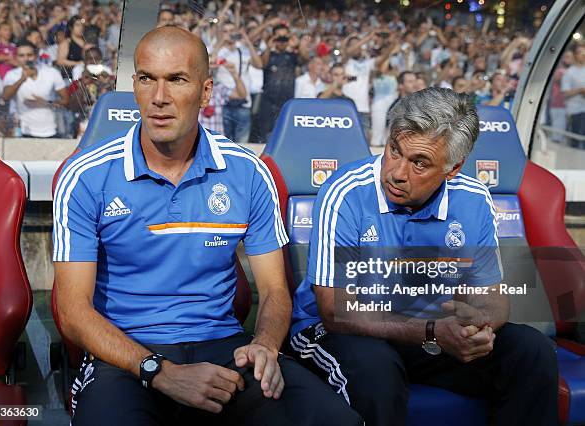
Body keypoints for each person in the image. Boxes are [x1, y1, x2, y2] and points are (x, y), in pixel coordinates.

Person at [52, 26, 362, 426]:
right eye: (147, 79)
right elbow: (72, 311)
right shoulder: (86, 175)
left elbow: (273, 291)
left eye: (176, 80)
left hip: (226, 348)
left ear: (205, 91)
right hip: (126, 356)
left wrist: (265, 346)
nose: (159, 98)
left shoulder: (249, 172)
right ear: (135, 86)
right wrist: (159, 371)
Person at [290, 88, 558, 426]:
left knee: (530, 351)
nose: (397, 172)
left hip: (427, 331)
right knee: (376, 372)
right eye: (394, 151)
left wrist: (475, 328)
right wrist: (432, 331)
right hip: (340, 331)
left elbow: (493, 300)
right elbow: (334, 310)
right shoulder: (346, 191)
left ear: (453, 168)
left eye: (420, 163)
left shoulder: (473, 199)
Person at [2, 41, 69, 138]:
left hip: (50, 130)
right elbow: (5, 97)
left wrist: (46, 103)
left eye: (29, 55)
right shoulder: (11, 75)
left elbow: (66, 101)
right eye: (22, 55)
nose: (26, 59)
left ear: (36, 55)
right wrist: (22, 79)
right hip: (23, 131)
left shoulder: (52, 72)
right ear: (16, 57)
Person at [561, 44, 585, 149]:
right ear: (575, 55)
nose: (583, 55)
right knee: (575, 140)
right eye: (580, 52)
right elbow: (565, 92)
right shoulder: (569, 72)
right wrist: (580, 90)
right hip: (575, 111)